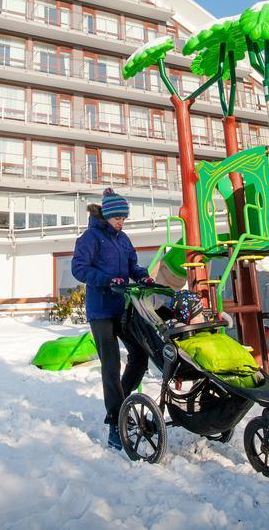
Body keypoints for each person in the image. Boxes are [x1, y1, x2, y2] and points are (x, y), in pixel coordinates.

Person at [71, 188, 153, 451]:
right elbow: (79, 269)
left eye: (124, 217)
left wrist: (143, 276)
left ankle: (121, 404)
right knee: (111, 365)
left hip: (121, 308)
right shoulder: (90, 237)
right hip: (100, 311)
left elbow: (133, 267)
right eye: (117, 217)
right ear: (106, 215)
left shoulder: (124, 239)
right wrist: (106, 280)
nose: (121, 221)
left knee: (140, 355)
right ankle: (115, 425)